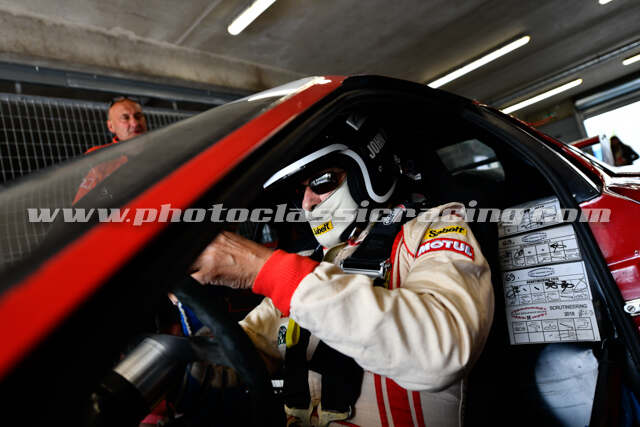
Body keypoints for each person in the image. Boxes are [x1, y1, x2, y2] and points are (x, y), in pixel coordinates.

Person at [190, 115, 494, 426]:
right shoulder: (309, 262)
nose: (307, 204)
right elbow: (250, 345)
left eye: (321, 182)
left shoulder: (433, 230)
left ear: (368, 172)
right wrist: (191, 358)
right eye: (300, 192)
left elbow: (441, 352)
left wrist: (265, 269)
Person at [73, 97, 148, 204]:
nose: (135, 123)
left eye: (138, 116)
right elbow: (82, 208)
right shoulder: (97, 157)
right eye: (125, 118)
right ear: (111, 126)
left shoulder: (164, 150)